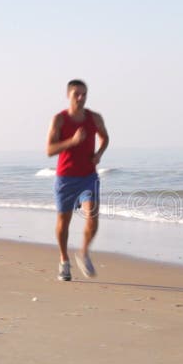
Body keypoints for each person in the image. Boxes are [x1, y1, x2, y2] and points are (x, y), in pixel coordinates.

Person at [46, 79, 110, 281]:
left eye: (84, 94)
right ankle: (64, 261)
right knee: (63, 223)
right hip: (65, 178)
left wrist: (99, 153)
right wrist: (72, 141)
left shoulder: (94, 118)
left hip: (88, 177)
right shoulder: (59, 120)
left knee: (93, 218)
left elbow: (105, 138)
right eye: (77, 94)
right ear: (69, 96)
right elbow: (49, 150)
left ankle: (83, 252)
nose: (81, 98)